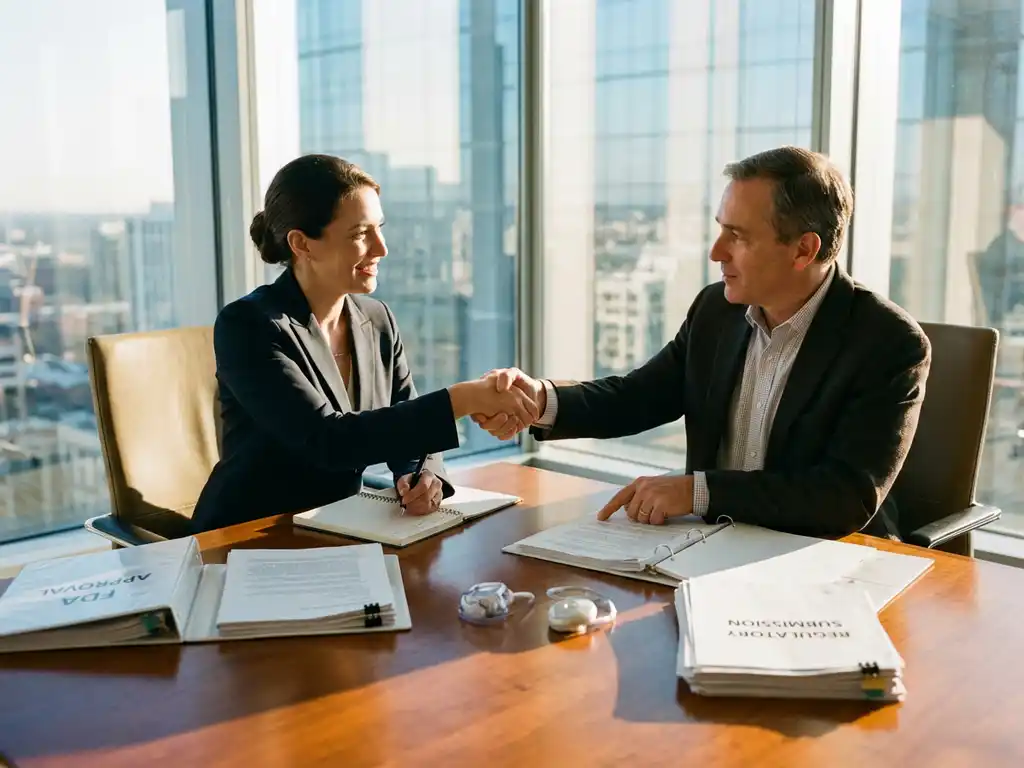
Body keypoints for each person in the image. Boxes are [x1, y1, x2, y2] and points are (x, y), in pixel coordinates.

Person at [477, 146, 931, 540]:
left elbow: (844, 497)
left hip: (827, 559)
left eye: (739, 236)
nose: (716, 251)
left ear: (803, 250)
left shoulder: (888, 343)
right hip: (710, 546)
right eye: (721, 228)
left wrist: (697, 491)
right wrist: (540, 400)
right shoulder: (718, 309)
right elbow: (640, 397)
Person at [191, 155, 537, 533]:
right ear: (302, 243)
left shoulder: (376, 319)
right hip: (250, 536)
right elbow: (329, 441)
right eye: (360, 234)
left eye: (379, 229)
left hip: (339, 529)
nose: (381, 248)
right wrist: (463, 399)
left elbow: (407, 417)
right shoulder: (249, 326)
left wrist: (422, 474)